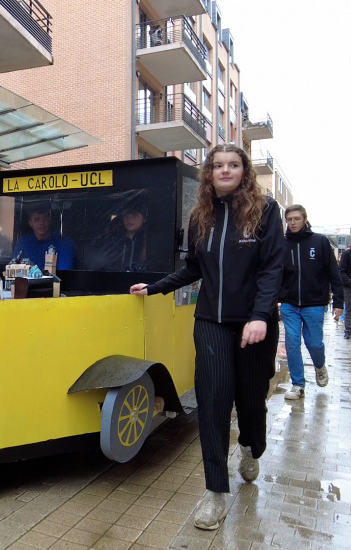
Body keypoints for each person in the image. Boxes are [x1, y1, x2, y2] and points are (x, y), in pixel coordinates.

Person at [129, 144, 284, 531]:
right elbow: (194, 268)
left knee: (251, 402)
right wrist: (155, 287)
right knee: (213, 404)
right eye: (218, 166)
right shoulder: (202, 217)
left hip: (254, 326)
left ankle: (251, 446)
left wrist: (261, 316)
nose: (225, 171)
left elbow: (271, 269)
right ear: (209, 174)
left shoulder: (266, 212)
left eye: (233, 165)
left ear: (244, 171)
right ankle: (215, 493)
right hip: (211, 323)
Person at [280, 205, 344, 399]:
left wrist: (338, 303)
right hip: (289, 304)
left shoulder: (320, 242)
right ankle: (298, 385)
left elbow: (334, 273)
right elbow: (274, 274)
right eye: (289, 219)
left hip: (314, 303)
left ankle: (319, 365)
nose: (293, 222)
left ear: (305, 219)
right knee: (292, 343)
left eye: (297, 218)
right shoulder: (282, 244)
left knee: (314, 343)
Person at [97, 205, 147, 271]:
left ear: (144, 218)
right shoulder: (113, 239)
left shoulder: (148, 240)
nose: (129, 218)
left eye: (134, 214)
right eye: (126, 214)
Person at [340, 247, 351, 339]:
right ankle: (348, 330)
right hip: (349, 288)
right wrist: (349, 282)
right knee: (349, 309)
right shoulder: (347, 253)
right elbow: (342, 271)